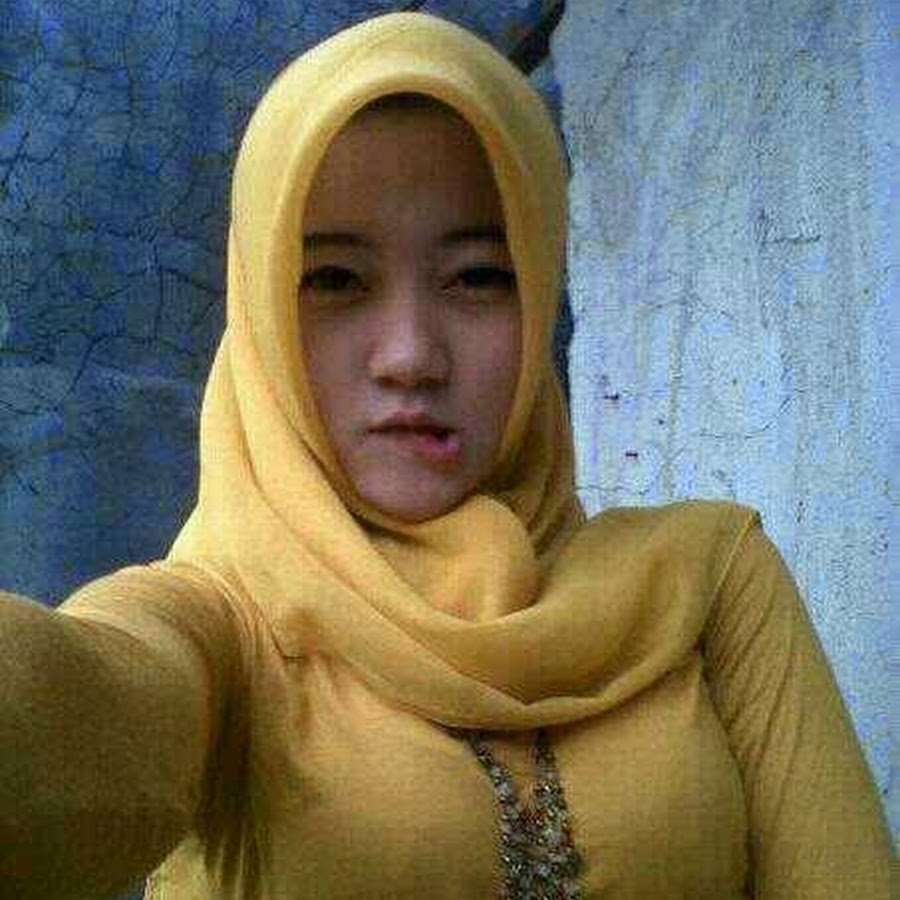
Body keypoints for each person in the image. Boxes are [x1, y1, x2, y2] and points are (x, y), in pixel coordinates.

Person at [0, 11, 894, 900]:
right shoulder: (224, 622)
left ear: (538, 293)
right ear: (262, 310)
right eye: (335, 280)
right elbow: (82, 704)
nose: (411, 358)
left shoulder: (708, 580)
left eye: (477, 277)